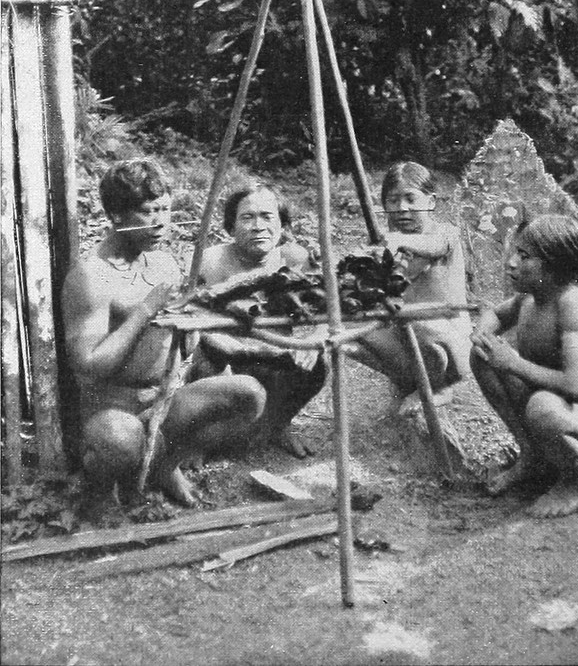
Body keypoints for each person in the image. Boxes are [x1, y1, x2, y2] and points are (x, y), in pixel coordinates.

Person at [62, 159, 265, 509]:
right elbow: (89, 365)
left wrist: (196, 324)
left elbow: (185, 341)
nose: (161, 222)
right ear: (116, 215)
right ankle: (101, 495)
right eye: (148, 212)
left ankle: (164, 466)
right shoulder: (91, 275)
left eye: (165, 210)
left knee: (249, 394)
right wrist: (145, 310)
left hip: (165, 399)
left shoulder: (162, 262)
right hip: (113, 411)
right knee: (119, 440)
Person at [470, 213, 578, 518]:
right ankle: (533, 456)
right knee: (483, 356)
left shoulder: (573, 304)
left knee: (541, 406)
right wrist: (483, 331)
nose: (511, 262)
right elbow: (496, 314)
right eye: (514, 252)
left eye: (524, 256)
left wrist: (514, 363)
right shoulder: (530, 299)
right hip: (563, 412)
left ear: (554, 267)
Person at [195, 181, 326, 458]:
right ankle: (198, 440)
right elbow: (193, 320)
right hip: (224, 357)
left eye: (267, 216)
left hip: (276, 356)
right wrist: (233, 347)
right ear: (231, 227)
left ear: (282, 224)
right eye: (247, 217)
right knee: (205, 366)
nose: (258, 226)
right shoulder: (210, 262)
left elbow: (326, 310)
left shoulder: (295, 258)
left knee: (318, 364)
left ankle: (277, 424)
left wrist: (313, 341)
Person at [348, 161, 471, 414]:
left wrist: (399, 241)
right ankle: (407, 380)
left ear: (431, 202)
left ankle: (439, 388)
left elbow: (435, 247)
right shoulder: (390, 243)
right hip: (410, 339)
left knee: (414, 323)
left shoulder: (446, 233)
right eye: (393, 201)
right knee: (347, 332)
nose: (402, 208)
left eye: (410, 199)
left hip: (450, 344)